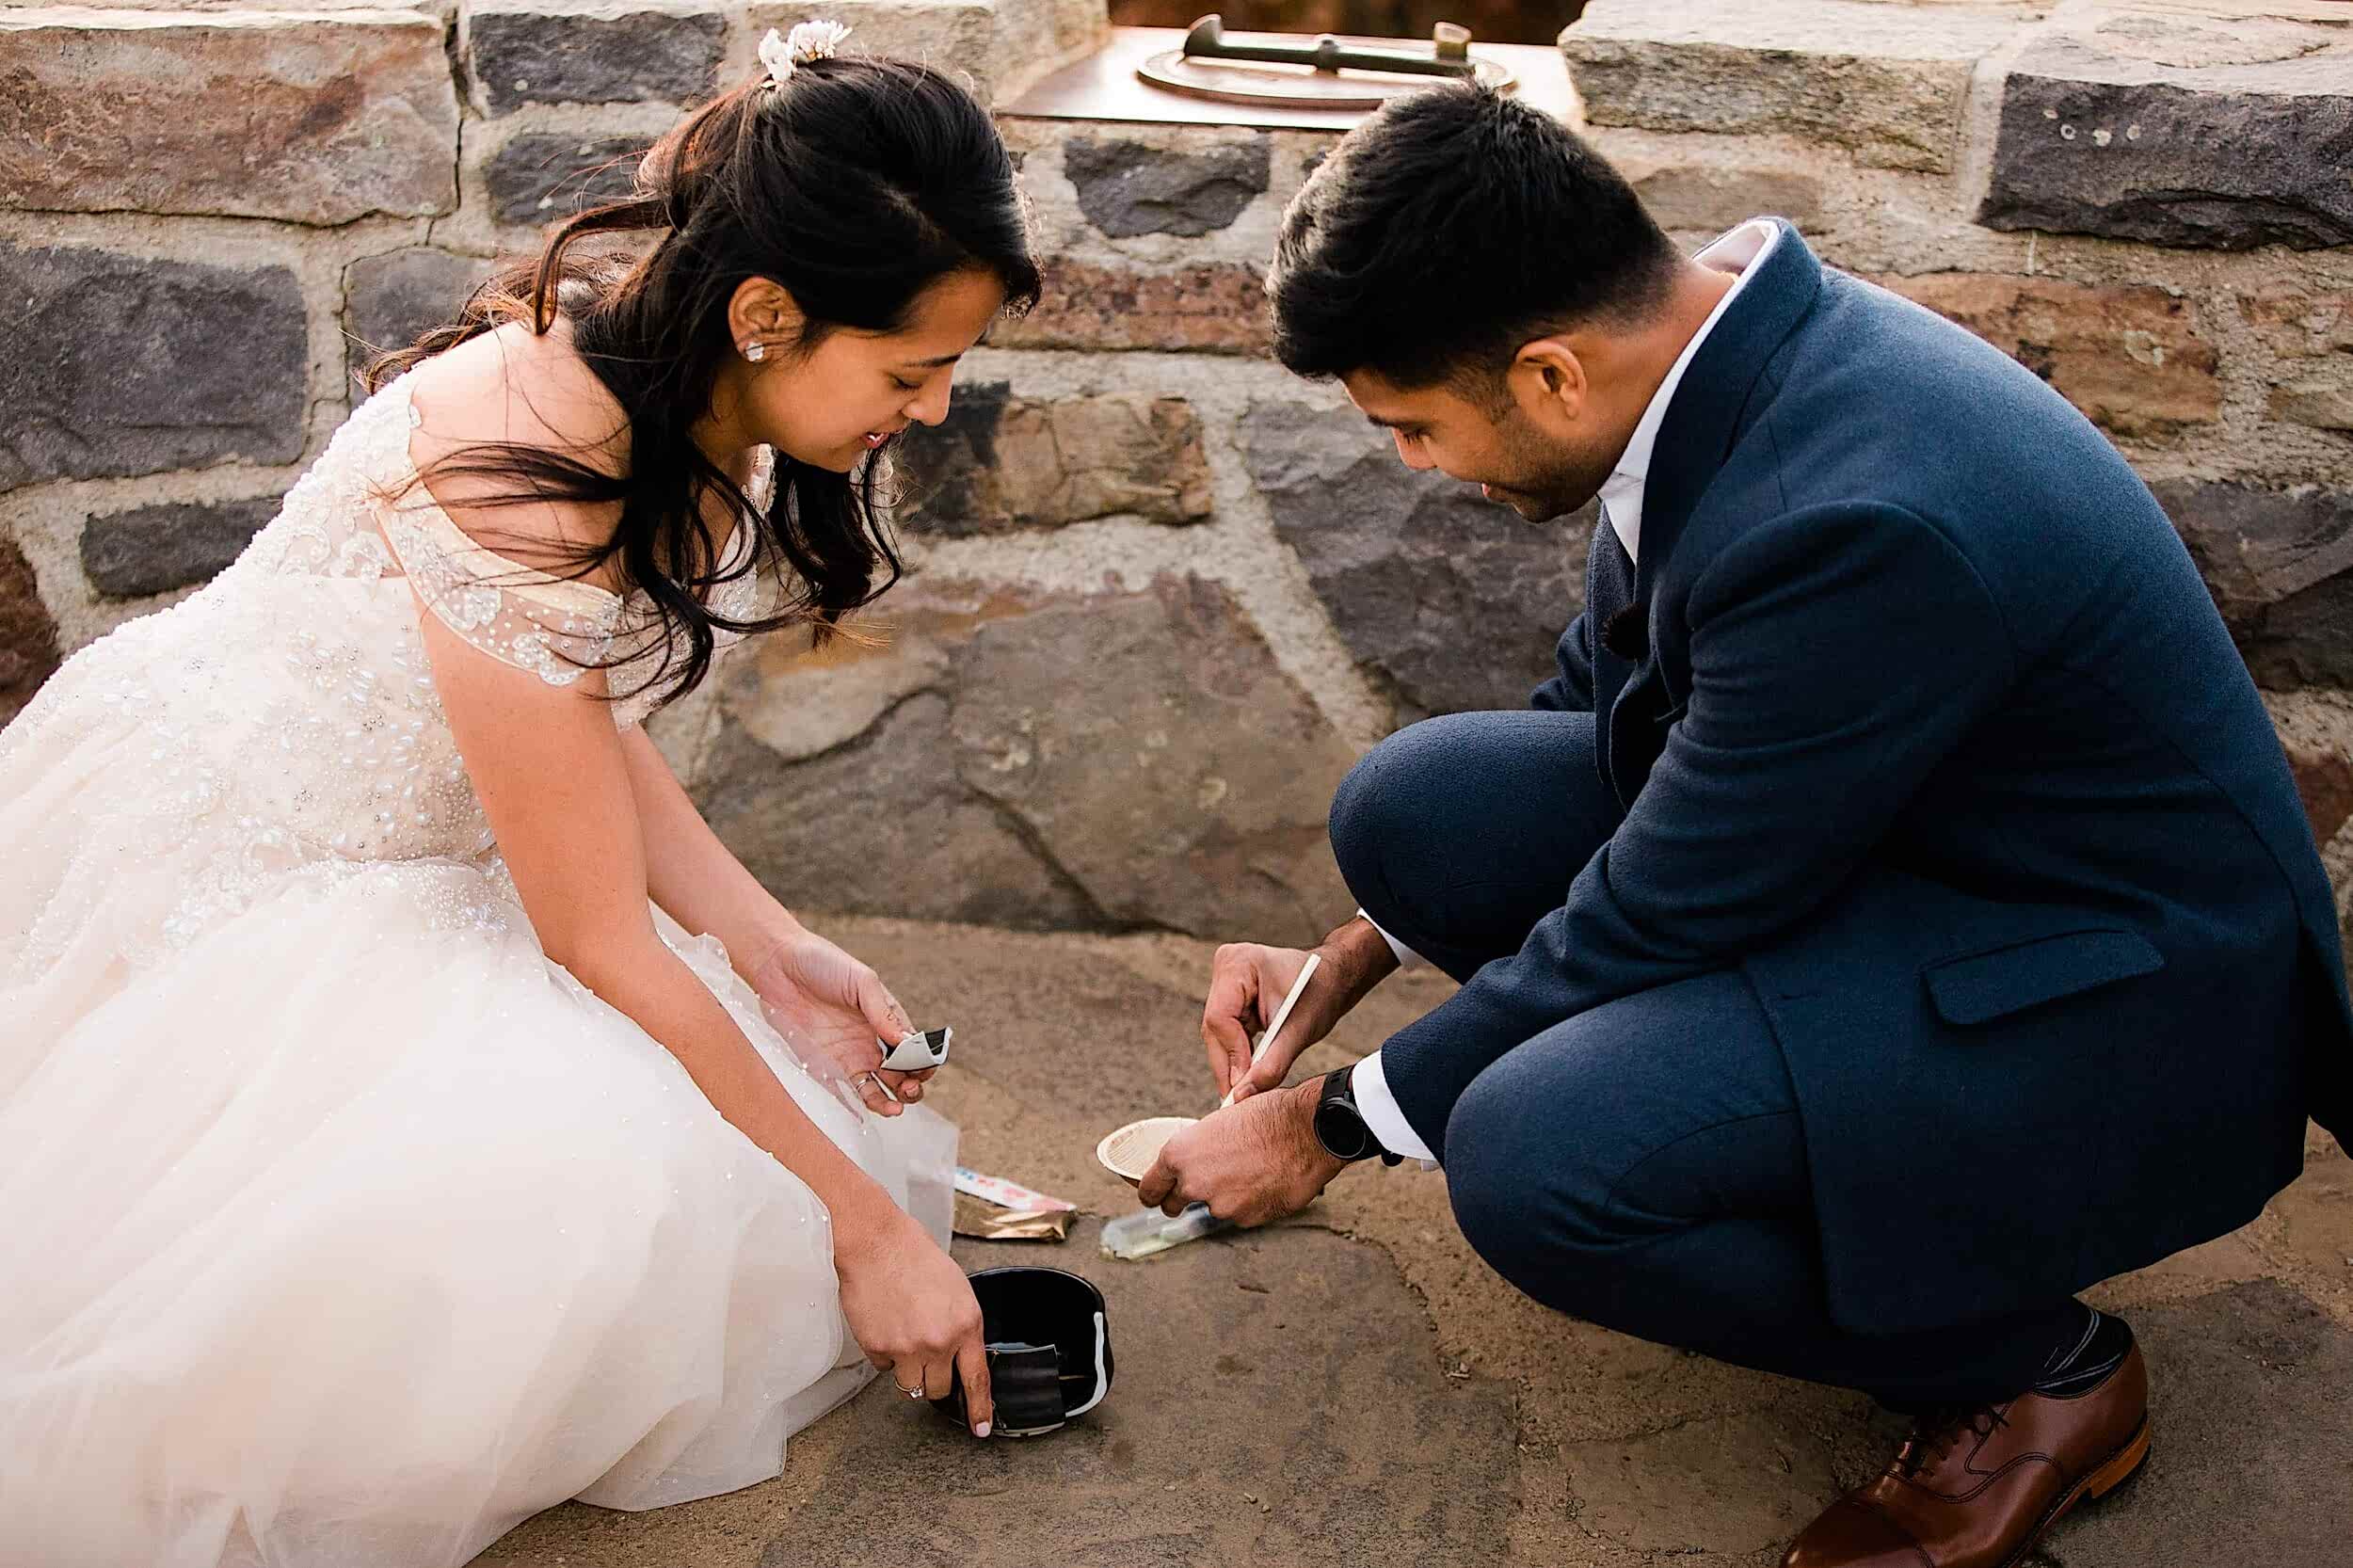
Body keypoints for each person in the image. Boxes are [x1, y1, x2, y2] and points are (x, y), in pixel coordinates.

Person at [1141, 84, 2352, 1568]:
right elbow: (1610, 700)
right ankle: (1744, 1118)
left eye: (1411, 426)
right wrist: (1354, 952)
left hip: (2111, 989)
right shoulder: (1717, 350)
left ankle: (2030, 1365)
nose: (1415, 466)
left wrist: (1329, 1121)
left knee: (1529, 1159)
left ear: (1548, 374)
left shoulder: (1858, 518)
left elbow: (1667, 899)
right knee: (1415, 816)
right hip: (1907, 852)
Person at [0, 26, 1030, 1565]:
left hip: (462, 832)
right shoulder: (528, 449)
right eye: (910, 370)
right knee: (564, 1206)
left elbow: (576, 724)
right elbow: (594, 935)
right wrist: (863, 1224)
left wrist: (766, 942)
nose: (935, 410)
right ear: (766, 312)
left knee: (699, 1157)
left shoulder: (695, 395)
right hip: (264, 855)